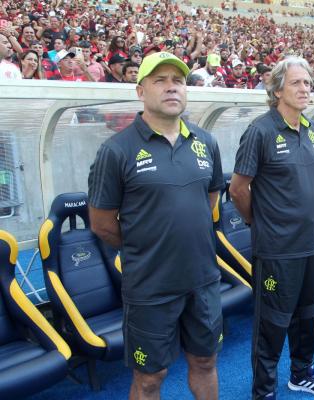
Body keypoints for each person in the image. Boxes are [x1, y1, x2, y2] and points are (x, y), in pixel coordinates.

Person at [88, 52, 223, 400]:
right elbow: (102, 224)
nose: (171, 87)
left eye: (177, 80)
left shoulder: (205, 142)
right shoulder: (116, 150)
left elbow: (209, 201)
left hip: (203, 279)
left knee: (206, 362)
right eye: (159, 80)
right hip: (150, 287)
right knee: (150, 377)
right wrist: (147, 246)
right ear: (140, 90)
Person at [229, 57, 314, 399]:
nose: (305, 88)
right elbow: (238, 189)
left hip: (308, 244)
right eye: (296, 83)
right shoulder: (260, 131)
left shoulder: (309, 128)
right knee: (272, 323)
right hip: (276, 250)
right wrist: (254, 220)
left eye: (307, 83)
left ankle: (301, 373)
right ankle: (264, 391)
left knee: (308, 314)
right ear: (276, 90)